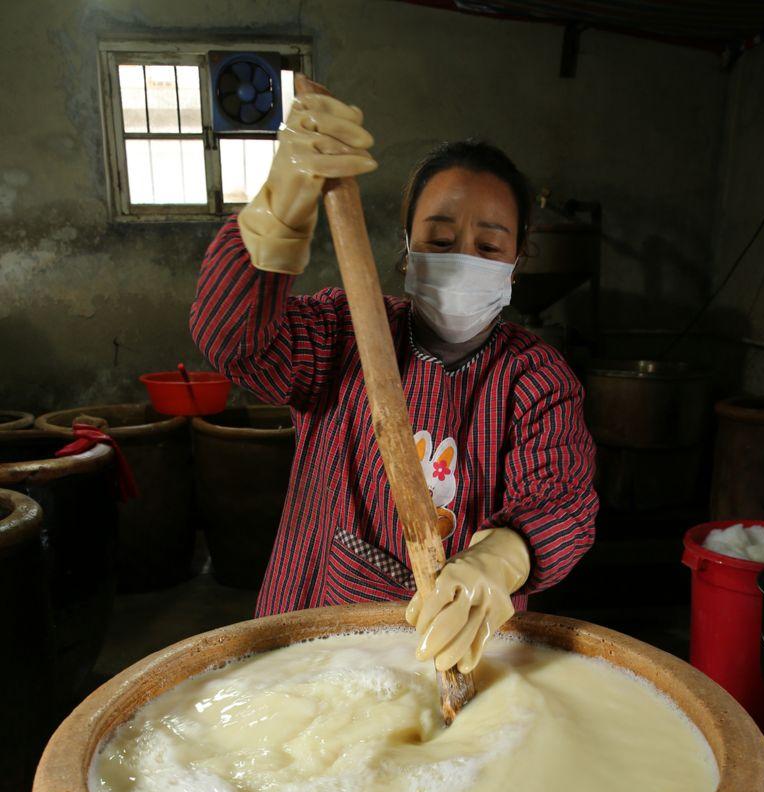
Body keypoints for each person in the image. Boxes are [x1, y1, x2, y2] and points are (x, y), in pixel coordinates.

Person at [190, 81, 597, 674]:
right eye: (440, 239)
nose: (463, 259)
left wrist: (498, 562)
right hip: (306, 641)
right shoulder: (343, 332)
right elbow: (232, 339)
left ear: (518, 260)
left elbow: (561, 499)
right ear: (407, 251)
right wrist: (278, 209)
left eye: (489, 245)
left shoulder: (534, 378)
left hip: (457, 656)